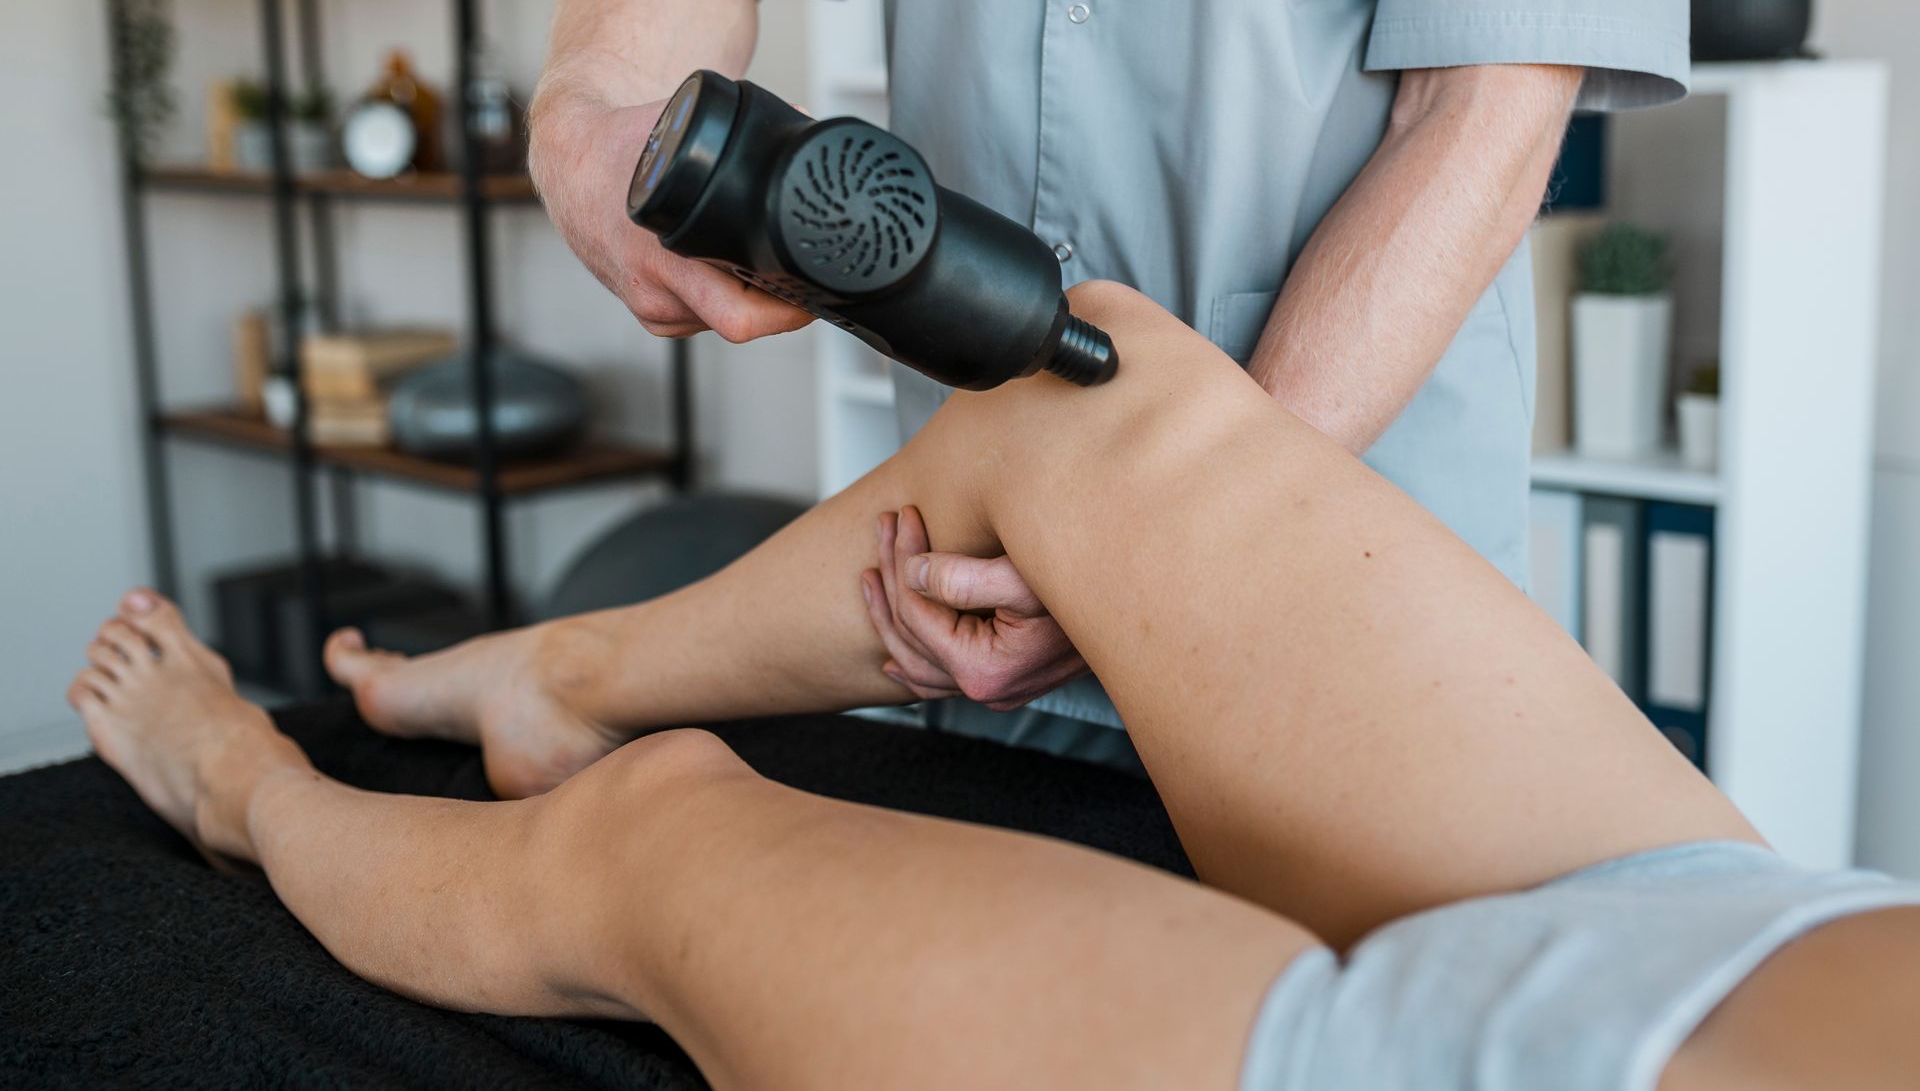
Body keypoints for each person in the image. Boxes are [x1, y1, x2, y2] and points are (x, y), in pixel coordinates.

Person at [72, 284, 1920, 1089]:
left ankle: (240, 784)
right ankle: (565, 671)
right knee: (1090, 390)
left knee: (656, 832)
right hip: (1724, 918)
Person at [515, 0, 1690, 763]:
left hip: (1338, 548)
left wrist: (1153, 538)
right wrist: (587, 105)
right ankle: (531, 682)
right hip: (972, 574)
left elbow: (1488, 101)